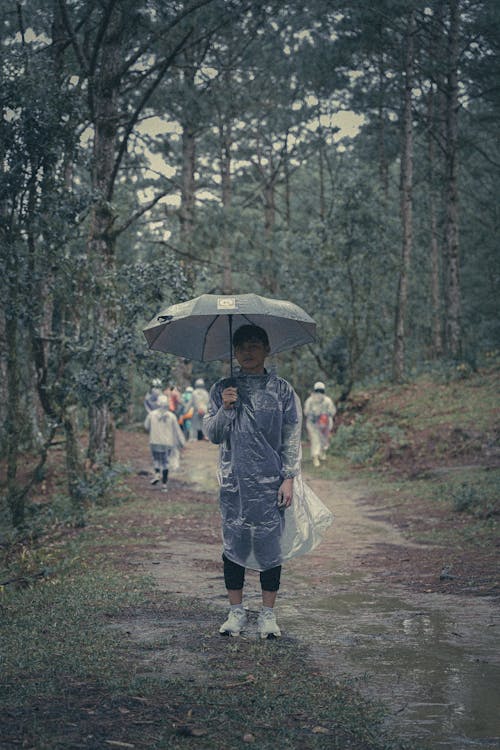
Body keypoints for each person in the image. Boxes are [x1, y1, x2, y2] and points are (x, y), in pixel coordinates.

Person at [203, 324, 302, 639]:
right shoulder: (223, 388)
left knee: (269, 547)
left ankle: (268, 614)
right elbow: (212, 434)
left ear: (266, 349)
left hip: (271, 482)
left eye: (255, 345)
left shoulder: (282, 390)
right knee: (234, 544)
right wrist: (226, 408)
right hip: (235, 482)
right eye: (242, 346)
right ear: (234, 352)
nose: (248, 351)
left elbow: (291, 437)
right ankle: (236, 612)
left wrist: (288, 478)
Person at [144, 394, 185, 491]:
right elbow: (177, 431)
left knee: (156, 460)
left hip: (154, 442)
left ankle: (157, 474)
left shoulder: (151, 414)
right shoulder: (172, 416)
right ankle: (164, 486)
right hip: (167, 443)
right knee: (165, 462)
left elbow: (146, 426)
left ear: (157, 404)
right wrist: (182, 442)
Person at [303, 381, 336, 468]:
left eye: (321, 391)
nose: (319, 393)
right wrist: (313, 415)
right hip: (313, 424)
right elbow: (306, 412)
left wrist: (325, 415)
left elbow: (332, 411)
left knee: (324, 439)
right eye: (317, 391)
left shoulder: (327, 400)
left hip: (325, 423)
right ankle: (315, 457)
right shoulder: (310, 400)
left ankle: (322, 453)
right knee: (315, 439)